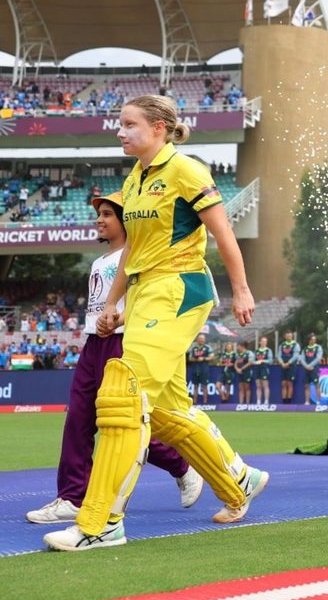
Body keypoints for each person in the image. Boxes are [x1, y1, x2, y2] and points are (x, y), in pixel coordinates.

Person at [44, 95, 265, 552]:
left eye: (129, 124)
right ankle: (238, 479)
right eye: (119, 124)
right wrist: (114, 301)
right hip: (145, 293)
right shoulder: (136, 177)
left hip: (180, 288)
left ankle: (101, 522)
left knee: (121, 395)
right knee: (166, 413)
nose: (120, 131)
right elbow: (132, 251)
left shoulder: (187, 170)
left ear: (160, 128)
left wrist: (241, 289)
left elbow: (223, 232)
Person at [26, 190, 202, 526]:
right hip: (94, 344)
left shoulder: (137, 258)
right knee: (78, 418)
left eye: (107, 214)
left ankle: (182, 466)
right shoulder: (99, 261)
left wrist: (118, 320)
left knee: (122, 424)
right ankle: (73, 497)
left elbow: (144, 303)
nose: (100, 220)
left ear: (125, 220)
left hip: (123, 342)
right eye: (99, 214)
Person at [187, 335, 213, 404]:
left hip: (204, 369)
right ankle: (194, 402)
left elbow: (212, 357)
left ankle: (205, 402)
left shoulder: (208, 348)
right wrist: (195, 359)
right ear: (197, 340)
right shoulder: (194, 348)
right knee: (195, 386)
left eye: (203, 339)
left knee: (204, 385)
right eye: (200, 339)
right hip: (195, 369)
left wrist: (203, 358)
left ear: (204, 340)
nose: (201, 340)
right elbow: (190, 358)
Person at [276, 331, 301, 404]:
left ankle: (289, 401)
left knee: (290, 383)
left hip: (291, 366)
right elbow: (279, 355)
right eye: (287, 336)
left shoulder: (295, 345)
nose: (289, 337)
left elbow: (295, 356)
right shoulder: (282, 345)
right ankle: (284, 401)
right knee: (283, 383)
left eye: (290, 336)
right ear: (285, 336)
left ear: (292, 336)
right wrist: (282, 363)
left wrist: (288, 363)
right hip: (283, 366)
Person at [299, 334, 322, 405]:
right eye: (312, 339)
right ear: (309, 340)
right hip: (306, 369)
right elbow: (302, 359)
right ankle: (307, 401)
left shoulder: (318, 347)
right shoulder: (305, 349)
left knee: (317, 385)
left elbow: (318, 358)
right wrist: (306, 366)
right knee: (306, 385)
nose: (314, 341)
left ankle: (318, 401)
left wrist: (310, 365)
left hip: (314, 369)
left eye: (314, 339)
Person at [253, 336, 273, 406]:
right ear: (260, 342)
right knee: (258, 386)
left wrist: (262, 361)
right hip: (257, 369)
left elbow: (270, 361)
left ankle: (266, 401)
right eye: (263, 341)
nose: (264, 343)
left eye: (265, 341)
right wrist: (255, 362)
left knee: (265, 385)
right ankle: (258, 401)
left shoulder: (268, 350)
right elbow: (253, 360)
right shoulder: (256, 351)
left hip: (264, 368)